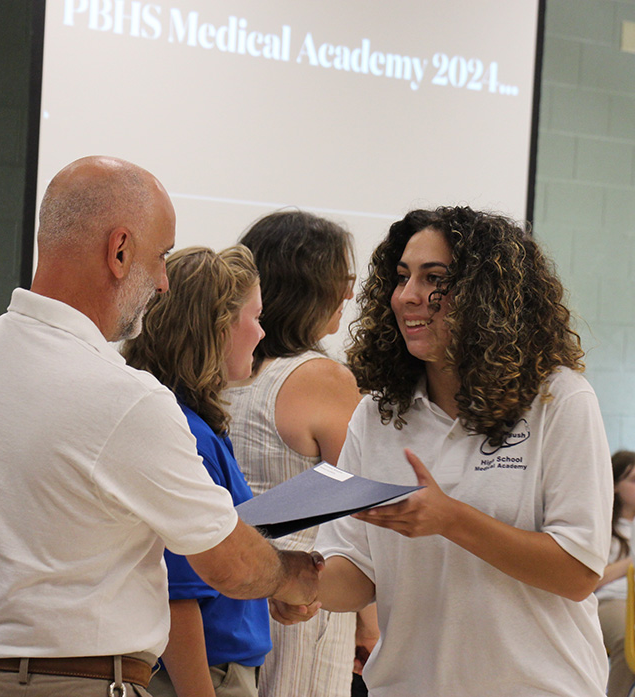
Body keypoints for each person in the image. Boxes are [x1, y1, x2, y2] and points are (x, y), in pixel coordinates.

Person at [0, 156, 322, 697]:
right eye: (161, 258)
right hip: (72, 684)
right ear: (120, 250)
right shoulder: (124, 398)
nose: (162, 282)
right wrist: (295, 575)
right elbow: (230, 566)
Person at [272, 206, 613, 696]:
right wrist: (298, 587)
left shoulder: (558, 400)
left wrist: (451, 519)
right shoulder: (378, 415)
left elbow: (577, 571)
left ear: (488, 297)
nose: (408, 296)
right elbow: (359, 571)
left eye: (434, 278)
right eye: (402, 277)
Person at [223, 210, 369, 697]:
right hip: (301, 603)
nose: (350, 295)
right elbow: (359, 508)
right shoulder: (321, 378)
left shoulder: (216, 371)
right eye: (342, 279)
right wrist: (367, 618)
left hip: (226, 596)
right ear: (310, 287)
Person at [123, 245, 268, 697]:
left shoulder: (197, 424)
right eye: (255, 316)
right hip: (204, 676)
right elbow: (178, 594)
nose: (262, 333)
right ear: (218, 328)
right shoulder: (187, 434)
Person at [596, 450, 635, 697]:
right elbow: (590, 580)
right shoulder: (601, 526)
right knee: (627, 638)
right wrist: (629, 563)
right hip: (610, 601)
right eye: (633, 480)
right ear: (615, 486)